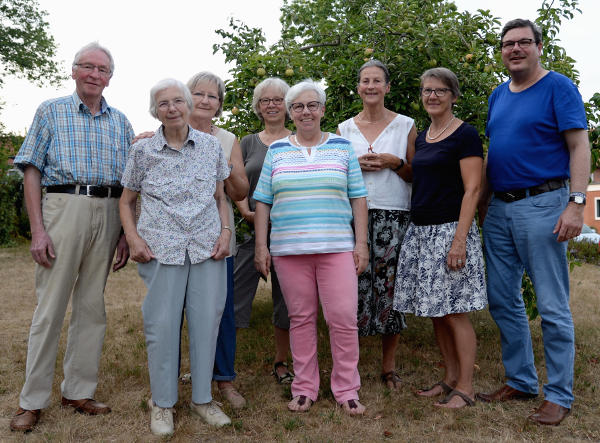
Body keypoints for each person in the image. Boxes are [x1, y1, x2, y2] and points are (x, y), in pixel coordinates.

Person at [10, 42, 133, 433]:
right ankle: (32, 401)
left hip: (109, 211)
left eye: (103, 69)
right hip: (63, 208)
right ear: (74, 70)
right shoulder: (51, 110)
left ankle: (77, 391)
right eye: (88, 67)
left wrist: (125, 234)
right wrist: (38, 229)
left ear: (110, 77)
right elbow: (31, 170)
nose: (95, 74)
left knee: (92, 307)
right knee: (50, 309)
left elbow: (132, 182)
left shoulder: (121, 121)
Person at [475, 19, 590, 425]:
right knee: (503, 300)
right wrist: (483, 200)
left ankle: (559, 394)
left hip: (544, 204)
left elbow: (579, 145)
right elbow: (496, 150)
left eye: (525, 42)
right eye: (508, 44)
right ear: (501, 51)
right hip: (500, 210)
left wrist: (576, 204)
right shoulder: (498, 95)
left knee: (553, 305)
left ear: (540, 47)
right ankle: (521, 380)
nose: (516, 49)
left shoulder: (558, 87)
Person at [120, 78, 232, 435]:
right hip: (160, 249)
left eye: (177, 101)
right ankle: (163, 404)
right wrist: (133, 238)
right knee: (162, 327)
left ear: (188, 104)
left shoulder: (212, 147)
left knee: (205, 324)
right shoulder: (142, 151)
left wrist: (227, 232)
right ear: (156, 111)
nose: (172, 108)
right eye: (163, 103)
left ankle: (202, 400)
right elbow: (126, 201)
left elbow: (220, 197)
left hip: (206, 247)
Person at [254, 80, 369, 415]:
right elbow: (262, 201)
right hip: (289, 251)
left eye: (312, 105)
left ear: (322, 109)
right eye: (299, 107)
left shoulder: (342, 147)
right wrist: (261, 247)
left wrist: (360, 243)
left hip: (336, 248)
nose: (306, 112)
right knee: (301, 318)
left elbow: (358, 198)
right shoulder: (277, 151)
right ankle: (304, 387)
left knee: (344, 319)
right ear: (291, 112)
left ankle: (347, 388)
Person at [393, 68, 487, 409]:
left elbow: (473, 188)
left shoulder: (465, 134)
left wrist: (459, 240)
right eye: (427, 90)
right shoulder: (423, 137)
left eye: (440, 90)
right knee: (436, 311)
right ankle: (448, 378)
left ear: (454, 95)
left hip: (450, 231)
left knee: (455, 311)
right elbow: (417, 178)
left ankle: (466, 387)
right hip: (421, 231)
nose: (432, 96)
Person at [337, 60, 416, 390]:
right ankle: (349, 367)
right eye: (364, 80)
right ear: (358, 87)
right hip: (352, 215)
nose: (370, 86)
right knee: (349, 289)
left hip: (394, 214)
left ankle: (388, 366)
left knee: (390, 290)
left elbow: (416, 175)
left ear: (387, 87)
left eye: (377, 81)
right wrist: (353, 167)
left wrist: (394, 162)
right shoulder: (342, 130)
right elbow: (335, 175)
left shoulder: (405, 125)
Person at [184, 71, 249, 409]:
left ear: (220, 105)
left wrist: (226, 167)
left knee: (221, 310)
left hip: (217, 237)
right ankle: (191, 373)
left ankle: (224, 379)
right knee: (181, 308)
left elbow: (240, 191)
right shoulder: (169, 131)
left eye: (213, 96)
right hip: (175, 238)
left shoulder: (228, 139)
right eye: (199, 94)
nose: (206, 101)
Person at [234, 77, 294, 385]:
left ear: (288, 105)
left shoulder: (298, 141)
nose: (271, 105)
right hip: (248, 232)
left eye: (277, 99)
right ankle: (219, 363)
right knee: (229, 296)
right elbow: (237, 180)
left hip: (286, 234)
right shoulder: (246, 142)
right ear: (258, 107)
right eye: (265, 100)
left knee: (286, 302)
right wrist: (245, 209)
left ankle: (282, 362)